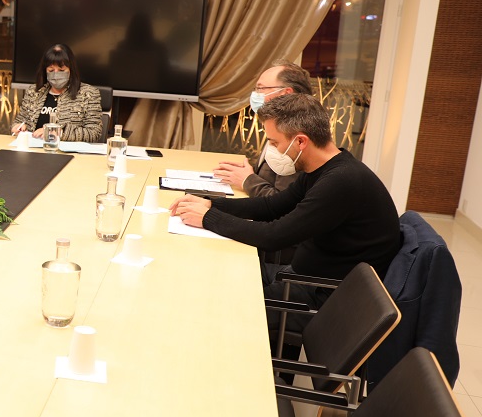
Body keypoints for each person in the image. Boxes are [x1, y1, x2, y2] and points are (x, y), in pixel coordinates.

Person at [171, 94, 401, 332]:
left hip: (323, 297)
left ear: (300, 141)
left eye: (274, 142)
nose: (272, 149)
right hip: (301, 277)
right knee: (217, 273)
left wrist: (207, 219)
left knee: (213, 304)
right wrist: (210, 205)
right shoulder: (324, 168)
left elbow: (274, 236)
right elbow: (272, 207)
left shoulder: (340, 182)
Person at [213, 60, 314, 197]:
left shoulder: (296, 135)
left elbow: (282, 201)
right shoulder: (278, 125)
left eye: (261, 89)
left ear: (286, 93)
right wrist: (247, 172)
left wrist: (247, 180)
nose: (255, 94)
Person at [10, 43, 104, 143]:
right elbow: (20, 121)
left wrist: (58, 132)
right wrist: (17, 127)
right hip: (34, 148)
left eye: (61, 70)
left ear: (71, 69)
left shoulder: (88, 94)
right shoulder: (34, 91)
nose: (56, 74)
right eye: (51, 70)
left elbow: (94, 133)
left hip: (68, 150)